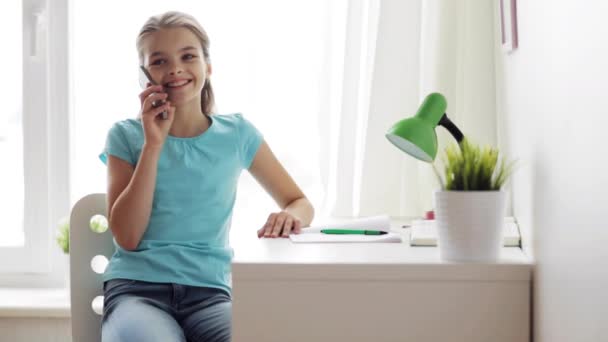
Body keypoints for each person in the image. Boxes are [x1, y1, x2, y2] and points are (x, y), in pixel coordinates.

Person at [99, 11, 314, 342]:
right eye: (159, 61)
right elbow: (127, 236)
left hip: (210, 295)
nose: (175, 69)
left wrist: (289, 215)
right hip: (136, 293)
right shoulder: (126, 136)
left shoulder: (237, 134)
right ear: (144, 76)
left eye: (188, 56)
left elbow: (299, 202)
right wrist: (153, 145)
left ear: (207, 66)